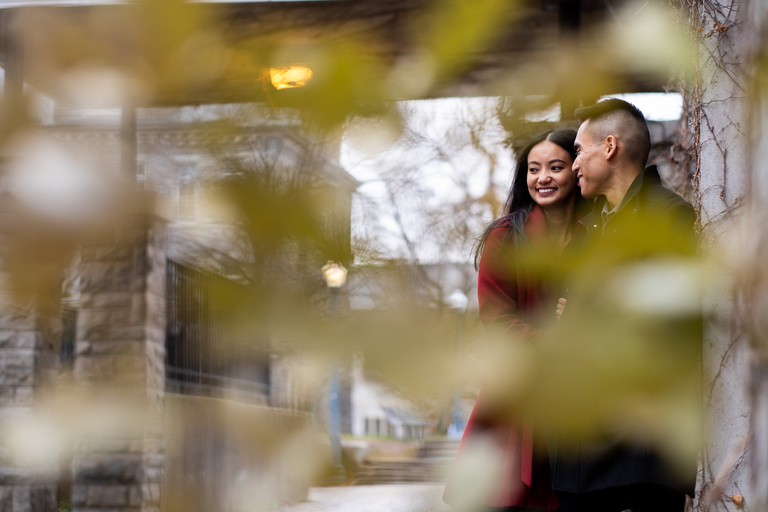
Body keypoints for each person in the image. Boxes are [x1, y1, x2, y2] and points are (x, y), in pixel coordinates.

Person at [547, 98, 699, 512]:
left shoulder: (669, 217)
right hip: (579, 457)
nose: (573, 164)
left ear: (610, 146)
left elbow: (670, 332)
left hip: (634, 462)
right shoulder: (592, 227)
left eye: (579, 150)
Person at [444, 128, 590, 511]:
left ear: (576, 170)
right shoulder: (506, 237)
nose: (542, 178)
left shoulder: (598, 234)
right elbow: (497, 320)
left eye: (555, 167)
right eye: (533, 169)